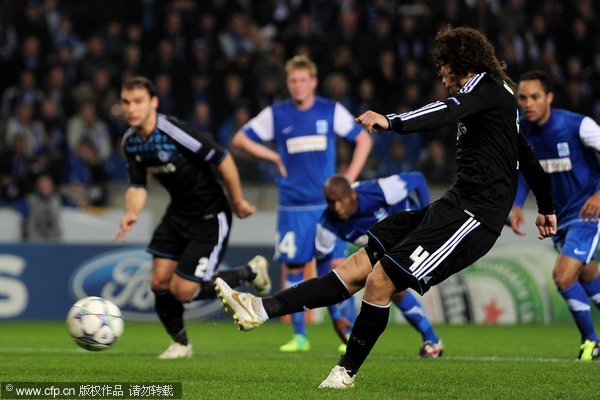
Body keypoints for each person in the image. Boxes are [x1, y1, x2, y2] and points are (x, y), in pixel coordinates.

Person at [215, 26, 557, 388]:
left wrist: (391, 121)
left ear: (460, 63)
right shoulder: (495, 102)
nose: (442, 76)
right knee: (355, 268)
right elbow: (526, 154)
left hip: (473, 216)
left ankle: (345, 372)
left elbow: (443, 112)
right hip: (453, 205)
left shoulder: (485, 88)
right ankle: (261, 308)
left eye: (444, 68)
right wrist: (546, 205)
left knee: (381, 282)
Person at [115, 76, 271, 359]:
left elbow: (223, 158)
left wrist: (237, 200)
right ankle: (181, 344)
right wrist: (131, 212)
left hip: (210, 215)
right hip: (177, 214)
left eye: (137, 101)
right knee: (159, 283)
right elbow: (138, 185)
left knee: (183, 290)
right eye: (126, 102)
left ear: (153, 103)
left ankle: (250, 272)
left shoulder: (173, 131)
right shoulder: (131, 142)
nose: (130, 108)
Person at [230, 55, 372, 352]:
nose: (297, 86)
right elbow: (240, 140)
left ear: (313, 82)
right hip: (292, 206)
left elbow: (364, 139)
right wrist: (271, 155)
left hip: (326, 207)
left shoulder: (329, 110)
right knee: (294, 267)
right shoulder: (277, 114)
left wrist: (349, 179)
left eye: (302, 80)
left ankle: (346, 337)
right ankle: (299, 336)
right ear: (288, 83)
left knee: (335, 269)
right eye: (292, 81)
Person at [510, 70, 600, 361]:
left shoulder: (578, 126)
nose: (527, 103)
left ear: (549, 97)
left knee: (563, 277)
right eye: (522, 97)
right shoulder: (520, 130)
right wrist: (517, 205)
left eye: (534, 97)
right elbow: (525, 172)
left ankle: (591, 342)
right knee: (588, 277)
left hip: (588, 211)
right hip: (558, 218)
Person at [317, 172, 443, 357]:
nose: (335, 207)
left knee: (390, 282)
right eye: (330, 201)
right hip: (385, 239)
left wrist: (428, 217)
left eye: (340, 200)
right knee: (358, 275)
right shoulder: (327, 224)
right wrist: (335, 316)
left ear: (352, 195)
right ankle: (432, 340)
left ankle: (431, 339)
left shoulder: (377, 191)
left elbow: (417, 178)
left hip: (411, 227)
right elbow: (324, 267)